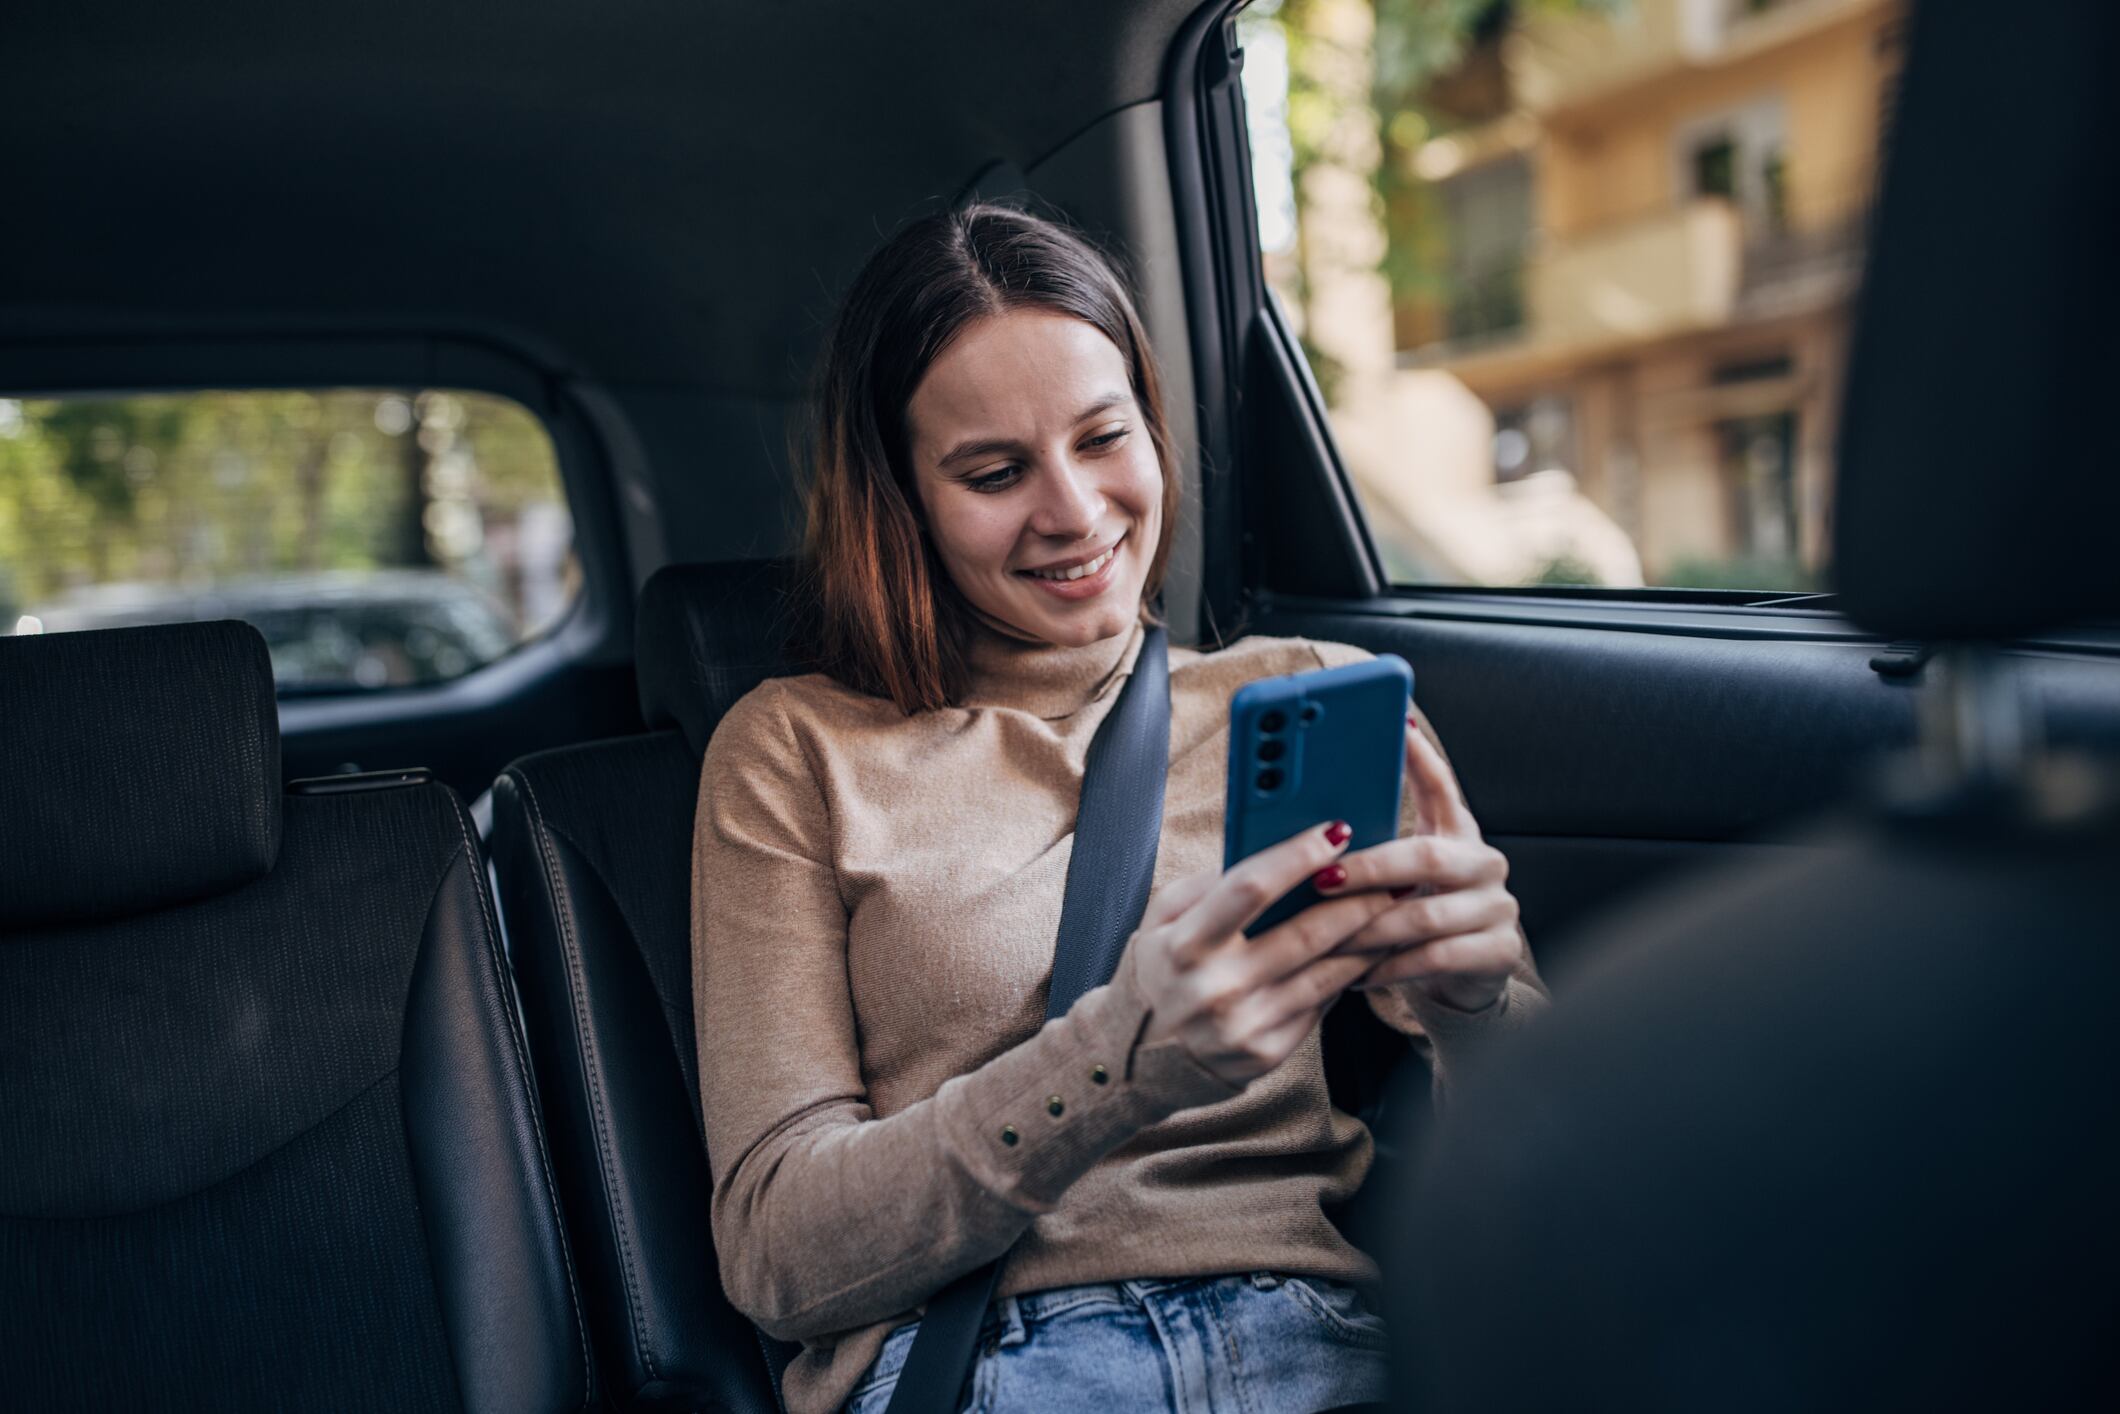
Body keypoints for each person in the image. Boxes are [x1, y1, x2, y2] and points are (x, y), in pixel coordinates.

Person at [691, 204, 1545, 1414]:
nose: (1075, 511)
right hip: (1000, 1367)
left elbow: (1558, 1153)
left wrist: (1473, 1000)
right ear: (899, 499)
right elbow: (776, 1251)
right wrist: (1117, 1061)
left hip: (1324, 1342)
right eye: (993, 473)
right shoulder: (792, 749)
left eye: (1103, 437)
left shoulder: (1294, 695)